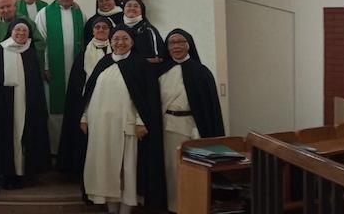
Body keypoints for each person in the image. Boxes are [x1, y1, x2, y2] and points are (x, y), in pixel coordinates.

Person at [80, 25, 167, 214]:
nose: (119, 42)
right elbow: (90, 92)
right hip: (101, 127)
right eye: (115, 39)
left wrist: (141, 121)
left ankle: (125, 210)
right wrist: (84, 116)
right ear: (110, 42)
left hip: (126, 127)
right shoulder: (103, 62)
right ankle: (112, 209)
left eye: (124, 38)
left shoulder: (140, 64)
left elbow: (146, 98)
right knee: (107, 169)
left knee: (126, 170)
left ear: (132, 41)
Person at [154, 28, 225, 212]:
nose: (176, 46)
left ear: (189, 45)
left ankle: (194, 206)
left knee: (193, 171)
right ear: (166, 47)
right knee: (171, 169)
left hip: (193, 128)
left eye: (180, 42)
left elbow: (210, 109)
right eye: (172, 42)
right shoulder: (160, 71)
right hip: (167, 127)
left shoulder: (201, 72)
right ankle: (173, 206)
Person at [0, 18, 50, 189]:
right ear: (10, 32)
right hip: (5, 105)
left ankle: (23, 173)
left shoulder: (30, 52)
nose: (21, 34)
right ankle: (7, 174)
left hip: (26, 103)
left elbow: (36, 82)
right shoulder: (0, 50)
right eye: (17, 30)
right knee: (7, 136)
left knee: (24, 135)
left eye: (25, 31)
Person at [56, 16, 113, 175]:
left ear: (110, 30)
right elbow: (76, 82)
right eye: (97, 27)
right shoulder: (83, 54)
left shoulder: (116, 51)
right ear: (92, 30)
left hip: (110, 101)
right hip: (87, 102)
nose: (101, 30)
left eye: (104, 27)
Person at [35, 0, 85, 153]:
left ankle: (70, 149)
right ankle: (55, 150)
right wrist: (45, 67)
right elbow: (40, 43)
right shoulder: (44, 14)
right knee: (54, 111)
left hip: (75, 69)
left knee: (73, 108)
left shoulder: (80, 14)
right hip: (53, 71)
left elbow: (84, 42)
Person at [121, 0, 166, 64]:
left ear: (142, 10)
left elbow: (157, 59)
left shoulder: (148, 30)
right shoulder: (118, 29)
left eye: (136, 6)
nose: (132, 8)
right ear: (123, 9)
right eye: (129, 6)